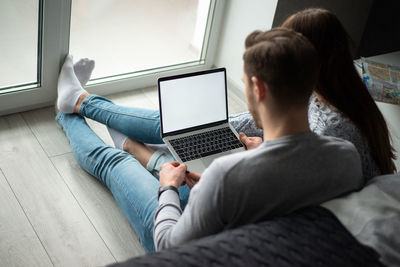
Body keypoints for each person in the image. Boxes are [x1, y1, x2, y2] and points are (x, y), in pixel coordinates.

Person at [56, 28, 363, 252]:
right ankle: (87, 109)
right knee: (164, 154)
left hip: (184, 235)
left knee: (114, 163)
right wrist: (265, 149)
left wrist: (168, 188)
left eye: (244, 83)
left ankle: (67, 112)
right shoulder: (346, 156)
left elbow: (168, 246)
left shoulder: (226, 175)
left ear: (258, 90)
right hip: (235, 219)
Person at [230, 8, 397, 182]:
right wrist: (218, 124)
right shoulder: (343, 90)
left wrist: (261, 157)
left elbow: (294, 185)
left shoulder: (330, 130)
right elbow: (263, 120)